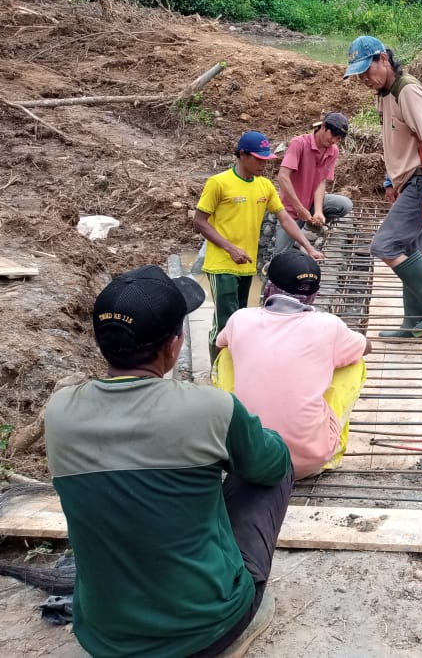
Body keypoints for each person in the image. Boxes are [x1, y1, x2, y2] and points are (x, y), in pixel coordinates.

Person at [44, 265, 294, 657]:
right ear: (174, 345)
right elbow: (272, 465)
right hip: (207, 632)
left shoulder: (59, 412)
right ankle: (245, 611)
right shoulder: (211, 407)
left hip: (104, 637)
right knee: (269, 461)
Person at [213, 250, 372, 478]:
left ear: (269, 287)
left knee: (226, 354)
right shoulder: (328, 325)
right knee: (354, 361)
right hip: (307, 463)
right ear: (314, 294)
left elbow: (221, 342)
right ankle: (328, 445)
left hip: (245, 460)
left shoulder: (241, 318)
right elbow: (366, 346)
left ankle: (236, 428)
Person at [343, 34, 422, 339]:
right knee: (408, 248)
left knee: (385, 245)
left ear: (383, 58)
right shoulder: (385, 94)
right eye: (360, 75)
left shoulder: (407, 91)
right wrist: (390, 180)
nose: (365, 79)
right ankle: (415, 325)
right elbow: (395, 142)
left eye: (368, 70)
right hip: (408, 181)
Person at [193, 130, 322, 360]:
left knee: (242, 320)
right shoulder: (219, 183)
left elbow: (285, 218)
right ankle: (217, 372)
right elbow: (200, 222)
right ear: (243, 155)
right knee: (226, 321)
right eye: (259, 159)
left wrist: (308, 247)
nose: (264, 164)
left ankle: (236, 367)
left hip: (247, 264)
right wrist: (230, 248)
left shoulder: (264, 186)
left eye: (266, 159)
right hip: (222, 264)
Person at [274, 111, 354, 255]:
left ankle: (308, 232)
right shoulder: (299, 143)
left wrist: (318, 211)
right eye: (333, 136)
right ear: (323, 127)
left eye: (338, 138)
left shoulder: (333, 151)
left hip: (309, 204)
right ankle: (298, 240)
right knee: (280, 257)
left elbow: (321, 182)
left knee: (344, 204)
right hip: (290, 209)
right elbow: (283, 177)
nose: (334, 141)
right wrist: (299, 208)